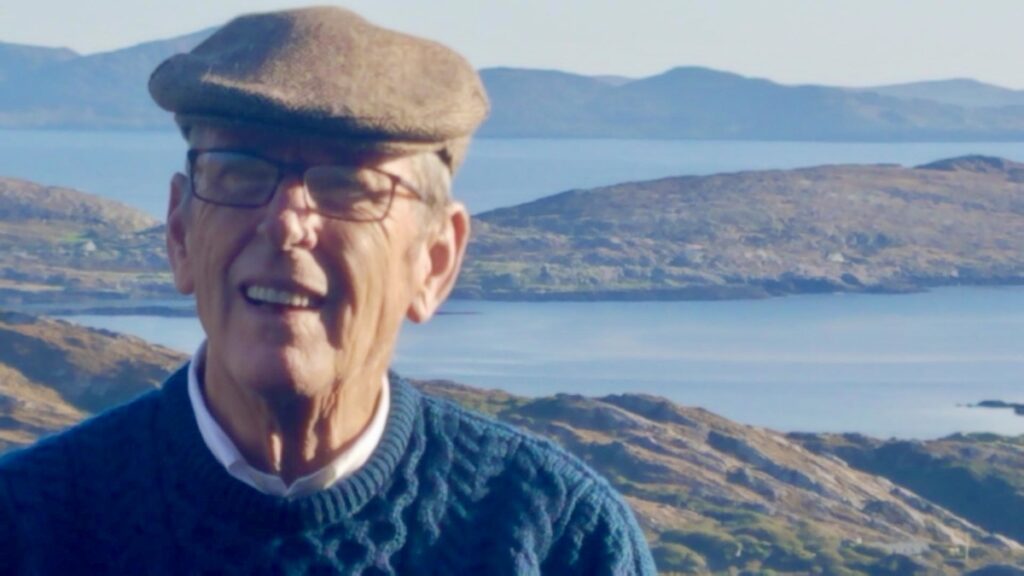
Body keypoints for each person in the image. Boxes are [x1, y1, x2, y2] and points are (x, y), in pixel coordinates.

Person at [0, 6, 656, 575]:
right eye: (239, 172)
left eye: (348, 186)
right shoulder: (26, 524)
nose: (287, 223)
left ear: (434, 261)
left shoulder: (559, 539)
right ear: (179, 234)